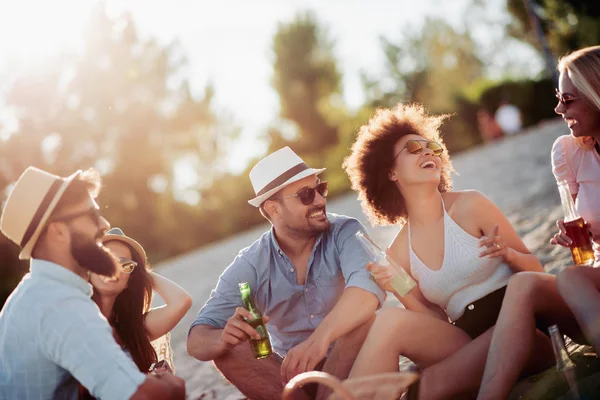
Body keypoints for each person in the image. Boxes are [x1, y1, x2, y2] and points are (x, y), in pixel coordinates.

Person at [337, 103, 551, 399]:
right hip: (464, 342)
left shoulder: (471, 205)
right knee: (387, 321)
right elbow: (437, 324)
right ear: (390, 173)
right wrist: (402, 292)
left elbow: (538, 273)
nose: (428, 153)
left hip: (524, 332)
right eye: (413, 149)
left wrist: (509, 255)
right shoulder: (398, 251)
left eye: (433, 148)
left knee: (426, 386)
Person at [186, 146, 385, 399]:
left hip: (354, 364)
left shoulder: (344, 230)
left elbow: (368, 288)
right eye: (306, 195)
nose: (320, 200)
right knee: (229, 352)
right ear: (273, 209)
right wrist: (224, 337)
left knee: (364, 321)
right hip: (291, 378)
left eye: (320, 189)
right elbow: (196, 341)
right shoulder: (251, 263)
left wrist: (319, 340)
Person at [477, 45, 600, 400]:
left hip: (588, 287)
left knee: (572, 278)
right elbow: (585, 231)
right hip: (593, 289)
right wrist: (581, 235)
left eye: (568, 99)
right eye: (558, 97)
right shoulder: (573, 153)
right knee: (527, 286)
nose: (559, 108)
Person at [0, 167, 185, 400]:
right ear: (58, 231)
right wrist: (171, 386)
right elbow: (142, 397)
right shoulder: (62, 305)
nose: (104, 224)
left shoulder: (28, 297)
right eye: (91, 214)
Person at [79, 227, 192, 398]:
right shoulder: (75, 320)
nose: (113, 269)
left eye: (124, 264)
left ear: (129, 281)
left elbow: (181, 301)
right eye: (104, 260)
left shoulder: (131, 329)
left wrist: (141, 272)